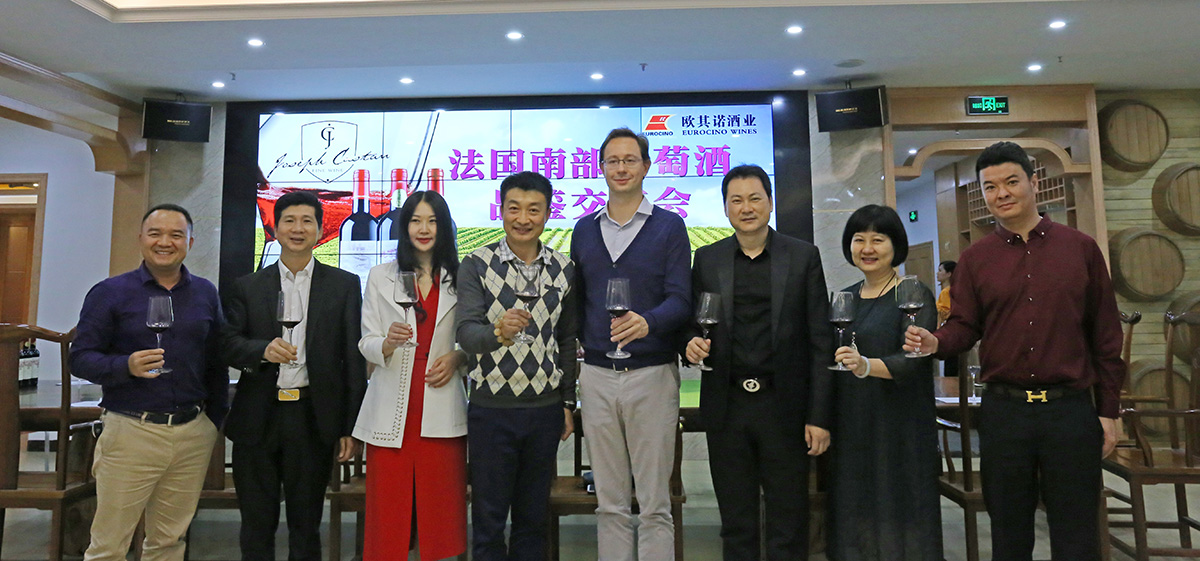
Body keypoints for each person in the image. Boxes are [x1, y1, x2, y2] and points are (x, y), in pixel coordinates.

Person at [904, 141, 1125, 561]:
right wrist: (936, 341)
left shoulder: (1080, 248)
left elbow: (1106, 335)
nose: (1001, 193)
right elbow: (964, 326)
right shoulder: (975, 259)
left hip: (1070, 410)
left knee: (1077, 533)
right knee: (1008, 533)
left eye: (1011, 182)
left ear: (1033, 183)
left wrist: (1109, 410)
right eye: (990, 187)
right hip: (1005, 413)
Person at [684, 164, 832, 560]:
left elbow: (821, 341)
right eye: (736, 200)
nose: (746, 208)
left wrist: (819, 416)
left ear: (770, 202)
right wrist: (690, 343)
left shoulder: (802, 257)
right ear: (725, 208)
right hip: (727, 406)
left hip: (784, 406)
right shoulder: (708, 259)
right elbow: (692, 323)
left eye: (754, 198)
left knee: (789, 520)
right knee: (736, 523)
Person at [70, 203, 227, 561]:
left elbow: (216, 360)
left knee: (169, 541)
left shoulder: (205, 293)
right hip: (131, 431)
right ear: (141, 238)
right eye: (155, 233)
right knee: (109, 546)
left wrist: (212, 421)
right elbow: (79, 358)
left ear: (190, 242)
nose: (165, 242)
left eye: (176, 235)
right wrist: (124, 365)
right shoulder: (110, 292)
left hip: (192, 433)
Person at [221, 191, 367, 561]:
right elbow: (228, 344)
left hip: (313, 418)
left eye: (307, 221)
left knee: (307, 525)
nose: (297, 229)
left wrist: (350, 427)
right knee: (256, 525)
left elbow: (353, 359)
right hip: (258, 417)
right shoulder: (248, 286)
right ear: (274, 227)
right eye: (289, 220)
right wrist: (261, 351)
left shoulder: (344, 285)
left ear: (320, 229)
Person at [571, 127, 692, 561]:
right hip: (597, 375)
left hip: (652, 374)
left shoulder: (669, 226)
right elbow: (578, 301)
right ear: (601, 168)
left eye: (629, 159)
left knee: (655, 503)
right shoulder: (584, 229)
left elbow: (681, 299)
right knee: (609, 502)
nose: (621, 168)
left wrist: (648, 322)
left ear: (646, 166)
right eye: (612, 160)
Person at [456, 171, 578, 560]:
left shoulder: (564, 268)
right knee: (489, 519)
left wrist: (567, 403)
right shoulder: (477, 264)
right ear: (501, 210)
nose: (523, 219)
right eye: (514, 208)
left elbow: (566, 341)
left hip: (544, 409)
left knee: (533, 518)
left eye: (533, 210)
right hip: (491, 409)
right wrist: (499, 332)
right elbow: (466, 333)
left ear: (548, 213)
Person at [352, 190, 469, 560]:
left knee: (440, 512)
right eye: (416, 220)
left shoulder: (462, 277)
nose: (424, 229)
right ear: (404, 227)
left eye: (432, 221)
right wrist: (386, 343)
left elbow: (475, 337)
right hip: (391, 403)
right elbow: (366, 341)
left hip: (442, 399)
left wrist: (458, 357)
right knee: (389, 513)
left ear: (444, 227)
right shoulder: (380, 276)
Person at [827, 204, 942, 561]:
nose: (867, 248)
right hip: (852, 421)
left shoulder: (913, 294)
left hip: (899, 424)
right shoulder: (845, 297)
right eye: (859, 239)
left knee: (898, 509)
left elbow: (913, 359)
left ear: (896, 245)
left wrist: (865, 366)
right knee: (854, 507)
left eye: (878, 239)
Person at [935, 260, 957, 377]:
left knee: (951, 368)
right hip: (956, 333)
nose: (937, 273)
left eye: (940, 270)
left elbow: (945, 314)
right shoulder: (957, 290)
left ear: (949, 274)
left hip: (950, 332)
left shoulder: (946, 292)